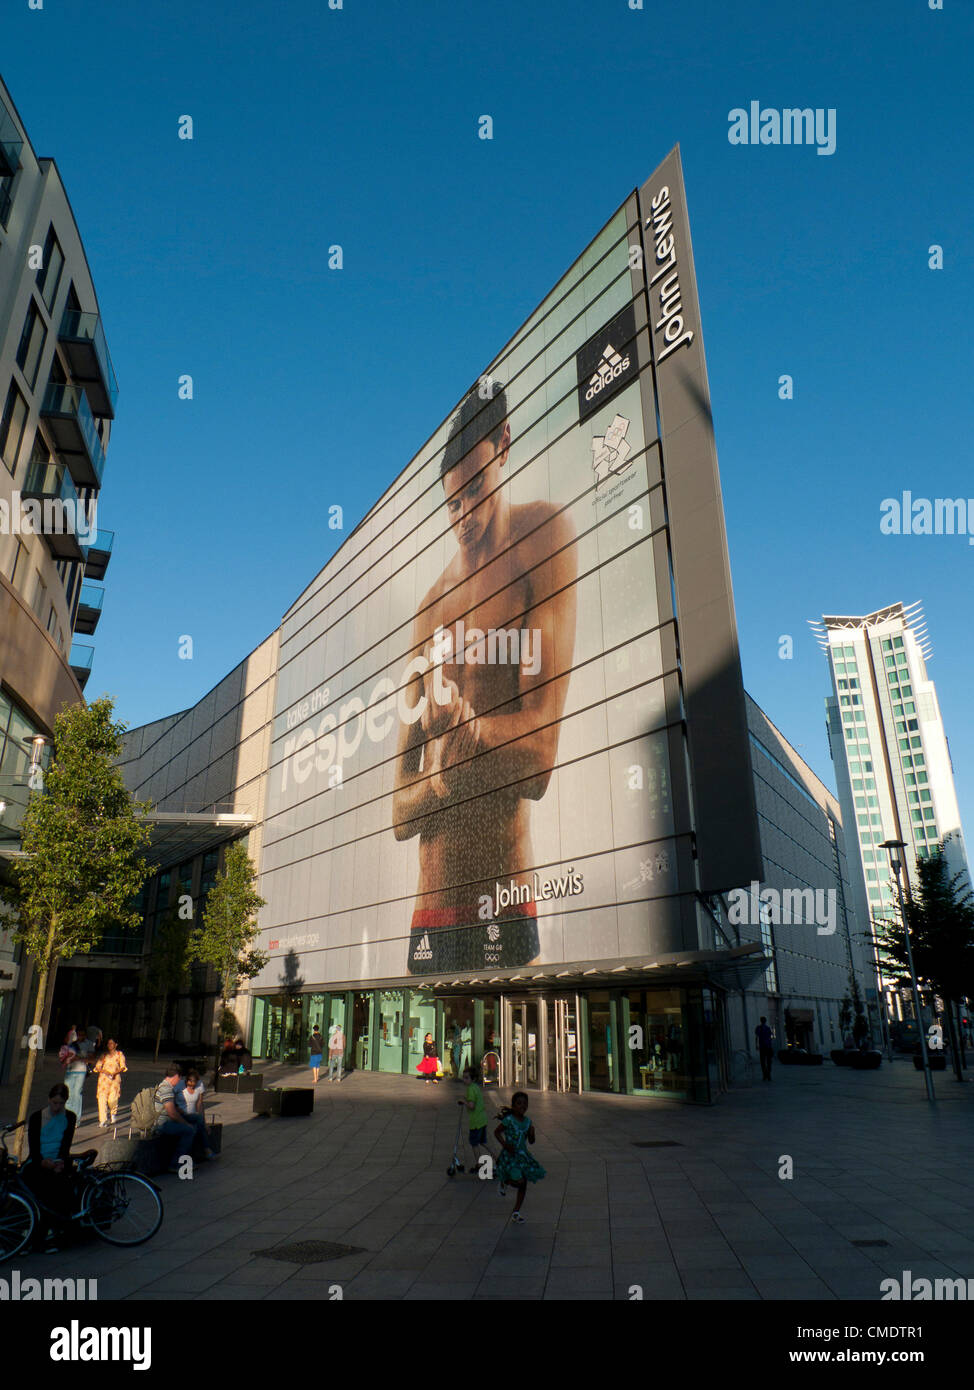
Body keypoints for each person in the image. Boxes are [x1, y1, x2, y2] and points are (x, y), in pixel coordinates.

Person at [393, 381, 578, 975]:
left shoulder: (542, 540)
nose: (465, 515)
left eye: (476, 489)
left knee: (512, 1049)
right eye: (453, 502)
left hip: (506, 894)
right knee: (435, 1058)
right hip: (430, 908)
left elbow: (543, 758)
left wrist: (474, 734)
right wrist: (438, 783)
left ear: (503, 446)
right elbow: (399, 809)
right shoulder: (429, 609)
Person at [24, 1083, 78, 1247]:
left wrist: (60, 1161)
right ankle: (39, 1230)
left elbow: (66, 1145)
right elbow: (33, 1146)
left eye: (61, 1103)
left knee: (60, 1186)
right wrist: (42, 1161)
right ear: (49, 1100)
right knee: (39, 1182)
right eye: (54, 1103)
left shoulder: (69, 1117)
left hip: (57, 1160)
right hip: (38, 1160)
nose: (57, 1107)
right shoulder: (36, 1118)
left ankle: (50, 1230)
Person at [494, 1091, 545, 1223]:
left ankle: (516, 1211)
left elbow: (531, 1141)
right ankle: (505, 1181)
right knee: (518, 1182)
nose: (522, 1106)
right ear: (514, 1105)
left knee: (523, 1183)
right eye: (519, 1103)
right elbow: (497, 1132)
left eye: (525, 1104)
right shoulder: (509, 1120)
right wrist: (505, 1145)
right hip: (510, 1156)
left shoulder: (528, 1122)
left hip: (522, 1156)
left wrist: (532, 1133)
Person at [153, 1063, 213, 1171]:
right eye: (179, 1078)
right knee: (189, 1130)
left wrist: (185, 1116)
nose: (180, 1082)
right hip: (163, 1124)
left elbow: (174, 1110)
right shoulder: (166, 1088)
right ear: (176, 1076)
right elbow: (172, 1113)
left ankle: (205, 1148)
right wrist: (186, 1124)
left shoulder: (168, 1087)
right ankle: (175, 1164)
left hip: (171, 1119)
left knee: (197, 1119)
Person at [459, 1062, 491, 1178]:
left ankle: (479, 1164)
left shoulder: (471, 1089)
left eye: (467, 1078)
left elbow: (471, 1105)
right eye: (464, 1077)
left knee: (474, 1143)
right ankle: (497, 1158)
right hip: (482, 1120)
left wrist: (464, 1102)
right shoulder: (476, 1088)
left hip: (476, 1122)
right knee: (483, 1141)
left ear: (472, 1079)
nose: (464, 1080)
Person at [93, 1037, 127, 1129]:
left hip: (114, 1080)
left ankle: (113, 1113)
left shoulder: (120, 1054)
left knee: (112, 1099)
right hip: (103, 1080)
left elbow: (123, 1066)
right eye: (108, 1043)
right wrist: (105, 1071)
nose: (110, 1045)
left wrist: (115, 1073)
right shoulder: (104, 1055)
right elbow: (98, 1066)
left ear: (116, 1044)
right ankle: (103, 1120)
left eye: (112, 1043)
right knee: (102, 1099)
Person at [62, 1029, 89, 1121]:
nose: (80, 1036)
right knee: (68, 1093)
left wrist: (80, 1057)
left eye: (82, 1035)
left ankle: (76, 1119)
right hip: (70, 1070)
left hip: (81, 1071)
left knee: (77, 1093)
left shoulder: (88, 1044)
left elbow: (91, 1057)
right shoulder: (71, 1044)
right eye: (79, 1035)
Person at [755, 1016, 775, 1081]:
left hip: (762, 1047)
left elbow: (757, 1037)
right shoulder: (768, 1028)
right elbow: (770, 1038)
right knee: (769, 1062)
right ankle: (768, 1075)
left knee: (763, 1062)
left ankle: (765, 1075)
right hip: (768, 1047)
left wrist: (756, 1045)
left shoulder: (758, 1028)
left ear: (761, 1021)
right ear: (765, 1021)